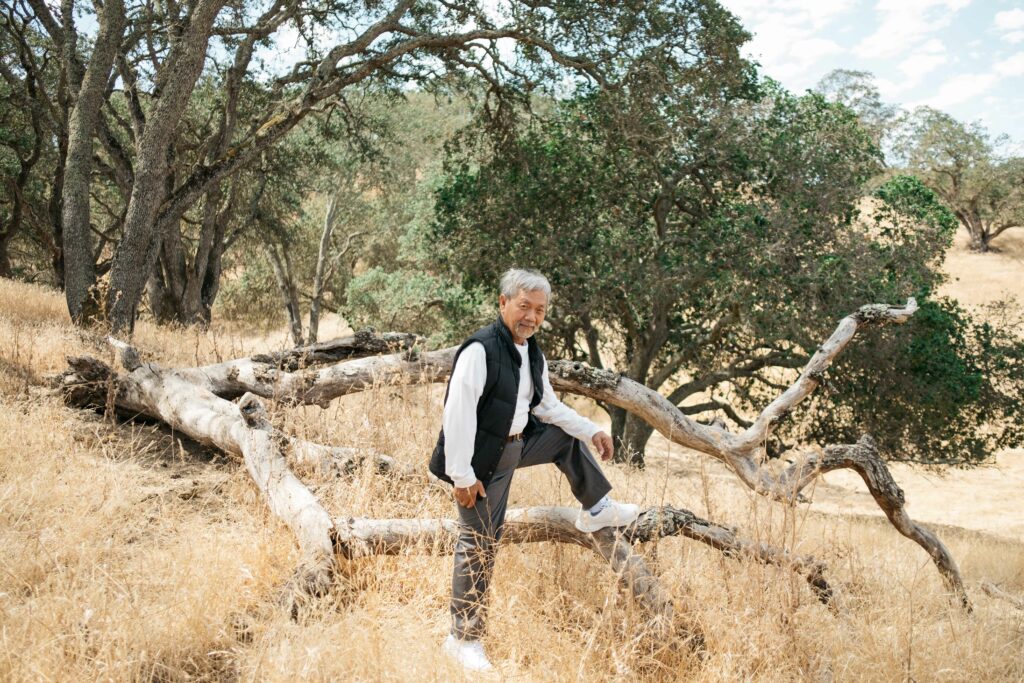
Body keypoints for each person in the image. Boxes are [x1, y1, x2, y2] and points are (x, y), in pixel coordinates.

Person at [429, 268, 640, 673]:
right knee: (479, 545)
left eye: (539, 310)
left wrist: (593, 429)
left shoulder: (531, 350)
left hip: (517, 446)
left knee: (565, 437)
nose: (531, 316)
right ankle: (463, 639)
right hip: (479, 463)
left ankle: (596, 507)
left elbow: (546, 407)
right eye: (524, 306)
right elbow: (456, 414)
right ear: (503, 303)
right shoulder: (481, 350)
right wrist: (461, 475)